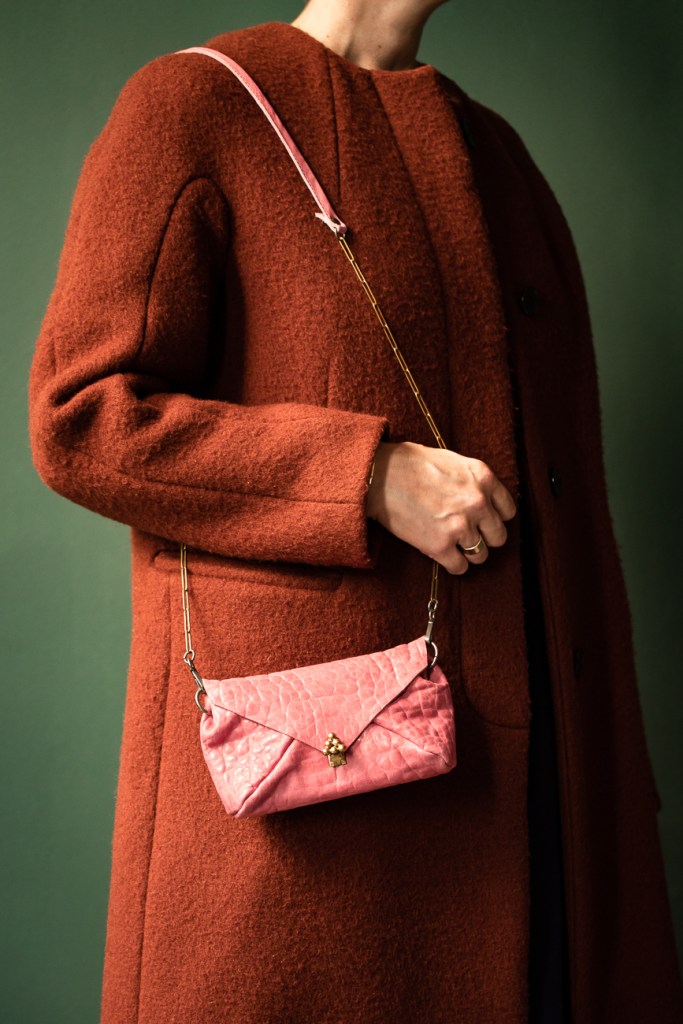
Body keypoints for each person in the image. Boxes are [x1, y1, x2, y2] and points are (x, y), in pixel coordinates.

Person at [28, 2, 683, 1022]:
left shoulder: (497, 155)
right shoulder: (193, 103)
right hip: (315, 826)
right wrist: (365, 476)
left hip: (545, 811)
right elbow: (83, 419)